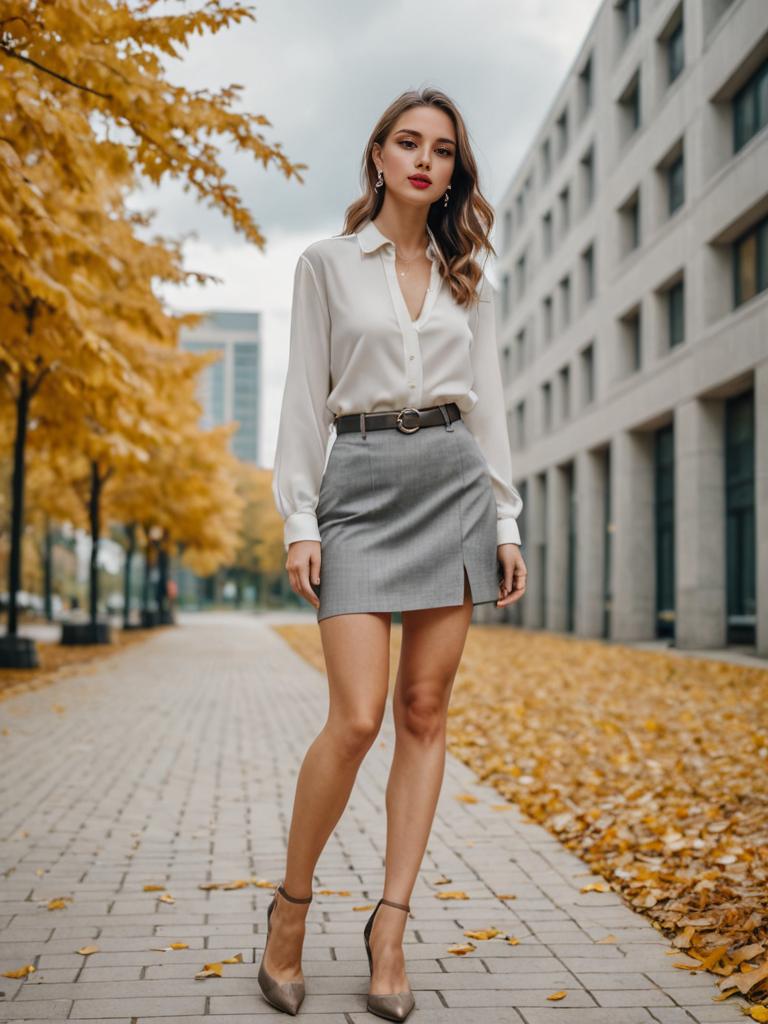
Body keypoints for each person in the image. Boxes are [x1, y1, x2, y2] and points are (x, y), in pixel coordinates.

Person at [262, 86, 528, 1020]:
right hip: (361, 484)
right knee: (358, 716)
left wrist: (506, 522)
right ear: (377, 155)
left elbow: (487, 405)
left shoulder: (469, 279)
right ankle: (289, 911)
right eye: (408, 143)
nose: (426, 160)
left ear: (456, 169)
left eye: (443, 150)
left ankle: (390, 929)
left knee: (424, 709)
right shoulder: (325, 265)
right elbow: (303, 397)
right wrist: (300, 518)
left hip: (452, 476)